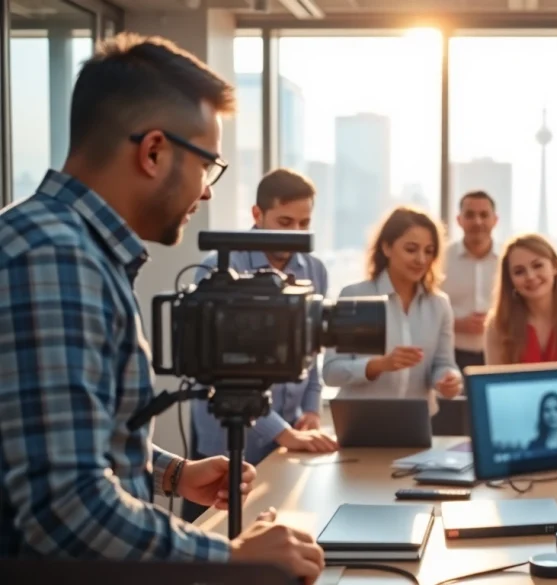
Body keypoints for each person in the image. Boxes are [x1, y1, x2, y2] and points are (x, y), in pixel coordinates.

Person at [0, 33, 323, 581]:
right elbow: (64, 509)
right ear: (153, 152)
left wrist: (171, 474)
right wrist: (233, 557)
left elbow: (56, 445)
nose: (206, 191)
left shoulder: (69, 248)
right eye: (208, 166)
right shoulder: (55, 259)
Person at [184, 168, 338, 522]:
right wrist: (283, 432)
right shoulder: (219, 269)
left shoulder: (315, 269)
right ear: (257, 214)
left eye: (304, 223)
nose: (295, 234)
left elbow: (311, 351)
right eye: (285, 222)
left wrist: (311, 409)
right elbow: (218, 372)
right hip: (226, 446)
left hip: (288, 443)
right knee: (211, 547)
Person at [322, 206, 462, 414]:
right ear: (386, 247)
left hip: (417, 423)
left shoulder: (439, 304)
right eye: (411, 249)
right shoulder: (354, 296)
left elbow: (443, 364)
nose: (421, 259)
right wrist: (378, 365)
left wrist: (449, 379)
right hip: (359, 423)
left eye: (429, 251)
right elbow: (331, 372)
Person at [484, 234, 557, 364]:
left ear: (555, 267)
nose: (530, 276)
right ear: (510, 280)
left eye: (537, 265)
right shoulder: (498, 323)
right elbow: (494, 381)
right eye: (519, 272)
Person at [441, 191, 499, 373]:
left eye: (484, 215)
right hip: (451, 355)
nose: (477, 221)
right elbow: (425, 306)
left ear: (495, 220)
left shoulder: (509, 260)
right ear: (459, 220)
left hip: (498, 353)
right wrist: (456, 323)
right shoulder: (440, 259)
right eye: (470, 215)